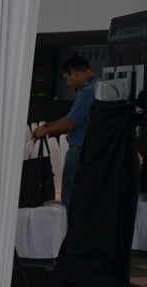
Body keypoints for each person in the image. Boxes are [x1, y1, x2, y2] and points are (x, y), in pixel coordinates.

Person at [32, 56, 99, 210]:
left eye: (66, 78)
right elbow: (70, 118)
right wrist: (48, 126)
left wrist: (46, 130)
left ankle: (68, 230)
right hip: (91, 150)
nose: (68, 84)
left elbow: (69, 123)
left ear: (73, 73)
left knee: (70, 200)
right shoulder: (98, 85)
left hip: (80, 151)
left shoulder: (88, 92)